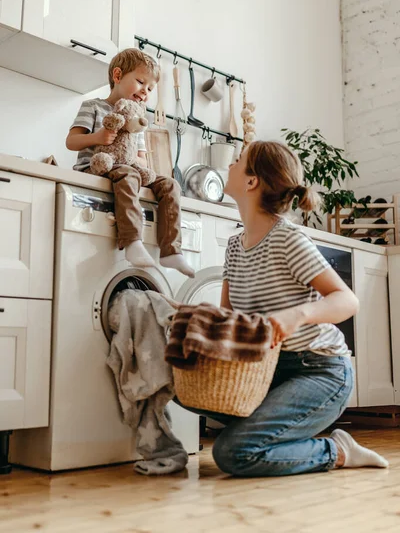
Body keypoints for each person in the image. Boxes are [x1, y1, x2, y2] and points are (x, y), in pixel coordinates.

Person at [181, 140, 389, 476]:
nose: (230, 166)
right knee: (180, 385)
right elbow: (229, 319)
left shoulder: (287, 239)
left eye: (237, 161)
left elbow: (347, 300)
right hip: (268, 369)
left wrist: (297, 315)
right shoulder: (235, 246)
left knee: (234, 453)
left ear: (252, 182)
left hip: (319, 370)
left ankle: (337, 450)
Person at [66, 48, 194, 277]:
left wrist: (130, 156)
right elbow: (72, 141)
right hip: (97, 167)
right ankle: (133, 241)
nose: (145, 92)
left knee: (170, 184)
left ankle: (171, 251)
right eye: (140, 82)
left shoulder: (138, 120)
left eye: (150, 89)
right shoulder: (93, 106)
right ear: (117, 76)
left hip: (127, 168)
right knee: (130, 174)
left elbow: (142, 160)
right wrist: (98, 138)